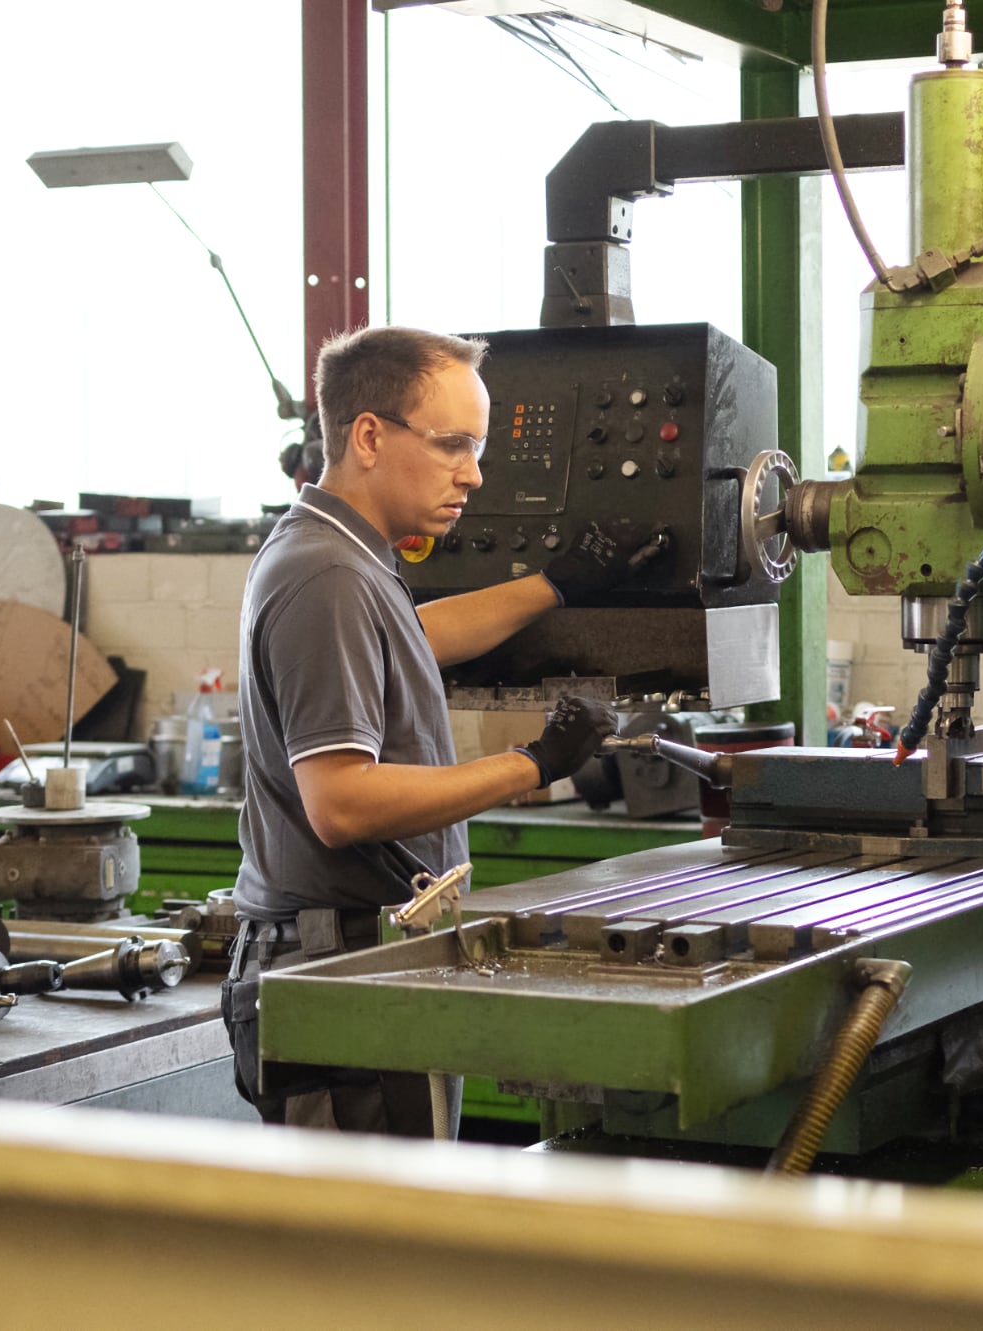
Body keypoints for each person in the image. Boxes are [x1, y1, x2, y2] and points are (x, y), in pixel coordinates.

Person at [223, 323, 663, 1136]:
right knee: (369, 1254)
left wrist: (556, 583)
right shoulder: (326, 576)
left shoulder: (345, 554)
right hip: (341, 975)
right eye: (453, 443)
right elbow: (341, 802)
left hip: (363, 958)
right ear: (367, 436)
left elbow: (413, 637)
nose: (476, 472)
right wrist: (535, 764)